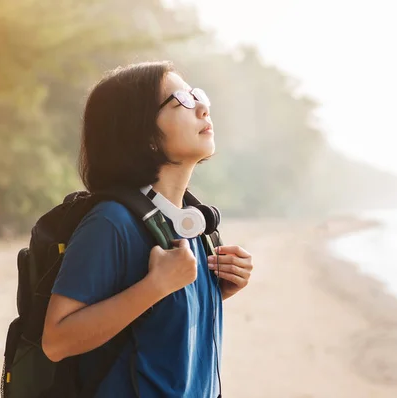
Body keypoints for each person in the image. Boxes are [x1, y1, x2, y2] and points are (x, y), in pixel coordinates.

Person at [41, 61, 254, 398]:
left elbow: (157, 330)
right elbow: (56, 340)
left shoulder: (192, 224)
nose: (202, 107)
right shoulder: (111, 222)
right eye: (181, 100)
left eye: (198, 95)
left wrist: (215, 291)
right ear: (143, 134)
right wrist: (156, 287)